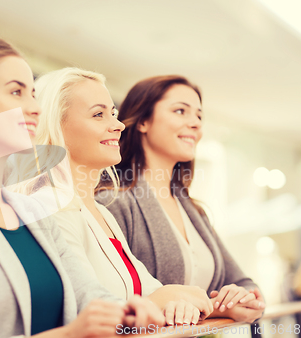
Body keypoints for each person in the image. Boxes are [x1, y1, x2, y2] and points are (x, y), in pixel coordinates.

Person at [0, 38, 164, 338]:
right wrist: (68, 334)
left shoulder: (31, 207)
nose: (34, 108)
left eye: (33, 94)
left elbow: (88, 293)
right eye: (16, 92)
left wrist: (126, 312)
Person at [33, 67, 215, 326]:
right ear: (56, 125)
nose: (118, 125)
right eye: (98, 114)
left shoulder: (100, 211)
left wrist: (185, 300)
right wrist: (163, 299)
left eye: (114, 114)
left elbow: (150, 290)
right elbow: (86, 309)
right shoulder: (50, 206)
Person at [96, 75, 265, 323]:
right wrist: (214, 307)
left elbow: (246, 285)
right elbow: (110, 301)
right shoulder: (112, 203)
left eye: (198, 115)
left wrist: (240, 297)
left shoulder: (195, 211)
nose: (195, 124)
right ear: (143, 121)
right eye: (180, 111)